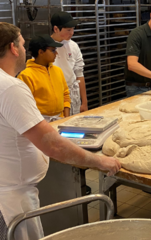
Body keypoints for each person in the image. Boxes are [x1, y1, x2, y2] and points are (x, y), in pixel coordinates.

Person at [0, 22, 121, 240]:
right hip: (11, 200)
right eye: (23, 44)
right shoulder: (10, 88)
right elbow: (53, 145)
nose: (25, 50)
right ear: (13, 48)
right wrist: (101, 162)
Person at [18, 35, 71, 122]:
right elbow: (25, 106)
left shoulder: (58, 71)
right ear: (41, 52)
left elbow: (65, 95)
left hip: (61, 118)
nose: (56, 53)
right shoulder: (26, 76)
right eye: (53, 50)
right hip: (39, 121)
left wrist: (66, 117)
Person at [50, 11, 88, 115]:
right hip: (55, 96)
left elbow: (79, 74)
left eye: (73, 29)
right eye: (68, 30)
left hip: (73, 95)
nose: (72, 33)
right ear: (56, 29)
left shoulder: (74, 46)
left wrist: (84, 102)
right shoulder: (45, 48)